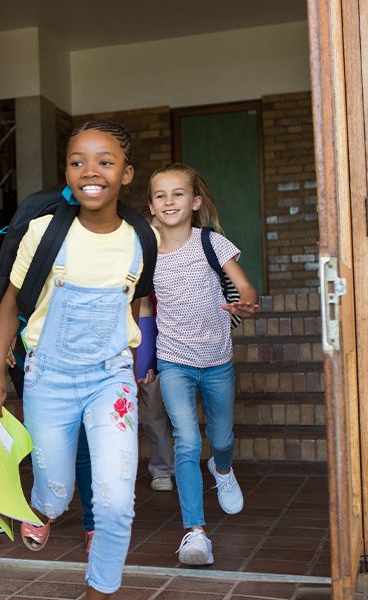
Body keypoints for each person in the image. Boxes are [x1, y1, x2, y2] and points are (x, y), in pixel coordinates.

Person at [0, 120, 150, 599]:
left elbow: (134, 303)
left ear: (127, 173)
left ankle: (101, 588)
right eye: (77, 162)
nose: (89, 171)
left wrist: (136, 365)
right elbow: (11, 302)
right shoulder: (44, 232)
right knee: (55, 493)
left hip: (110, 380)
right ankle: (41, 505)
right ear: (67, 172)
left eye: (105, 161)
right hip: (47, 376)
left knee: (117, 500)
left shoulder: (141, 239)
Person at [147, 162, 260, 566]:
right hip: (173, 360)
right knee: (187, 440)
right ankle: (195, 532)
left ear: (194, 202)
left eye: (178, 194)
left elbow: (244, 284)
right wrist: (144, 356)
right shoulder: (146, 251)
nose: (169, 201)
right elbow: (143, 305)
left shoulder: (211, 242)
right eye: (161, 195)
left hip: (217, 360)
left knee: (222, 437)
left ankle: (223, 468)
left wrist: (247, 300)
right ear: (152, 206)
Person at [76, 288, 174, 555]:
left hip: (147, 334)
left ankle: (162, 468)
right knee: (115, 421)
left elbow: (155, 312)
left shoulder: (147, 268)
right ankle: (119, 479)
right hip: (115, 344)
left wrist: (152, 358)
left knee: (153, 411)